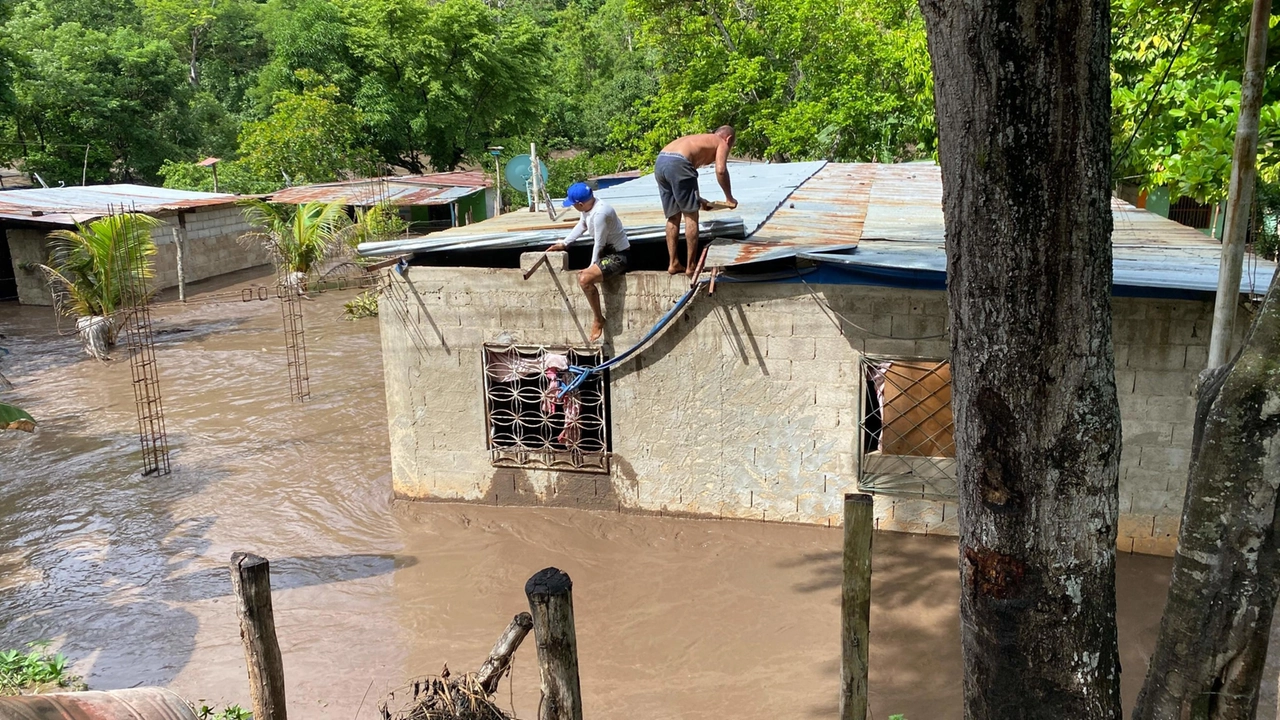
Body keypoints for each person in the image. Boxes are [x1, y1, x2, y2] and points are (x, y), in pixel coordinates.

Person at [548, 182, 631, 342]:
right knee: (586, 275)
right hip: (607, 253)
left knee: (585, 279)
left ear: (579, 204)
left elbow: (599, 243)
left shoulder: (601, 213)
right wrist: (565, 243)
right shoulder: (589, 208)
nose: (573, 207)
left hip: (619, 256)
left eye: (573, 205)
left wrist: (592, 266)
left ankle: (598, 319)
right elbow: (582, 225)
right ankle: (598, 319)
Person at [654, 126, 739, 276]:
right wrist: (729, 197)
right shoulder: (721, 142)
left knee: (673, 216)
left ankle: (673, 263)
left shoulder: (700, 139)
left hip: (661, 161)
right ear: (729, 139)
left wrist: (697, 199)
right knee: (691, 216)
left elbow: (685, 178)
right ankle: (691, 266)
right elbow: (721, 170)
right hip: (679, 163)